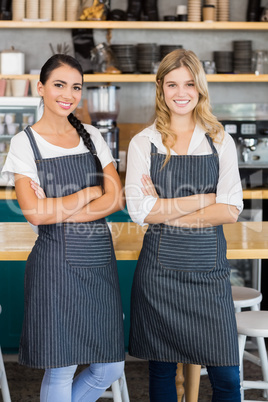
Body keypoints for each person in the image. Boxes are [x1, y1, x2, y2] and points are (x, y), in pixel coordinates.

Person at [2, 54, 125, 402]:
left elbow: (116, 200)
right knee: (62, 366)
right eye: (59, 85)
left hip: (99, 262)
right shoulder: (25, 143)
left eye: (76, 87)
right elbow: (34, 214)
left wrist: (58, 208)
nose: (68, 94)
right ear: (40, 88)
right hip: (55, 266)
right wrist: (88, 192)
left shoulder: (93, 135)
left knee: (110, 367)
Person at [125, 49, 243, 401]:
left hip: (210, 274)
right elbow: (139, 211)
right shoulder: (144, 142)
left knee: (226, 376)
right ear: (160, 87)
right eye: (172, 83)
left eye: (189, 84)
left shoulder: (220, 140)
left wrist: (165, 208)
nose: (181, 92)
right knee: (161, 370)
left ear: (200, 88)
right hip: (159, 276)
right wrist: (205, 199)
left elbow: (232, 208)